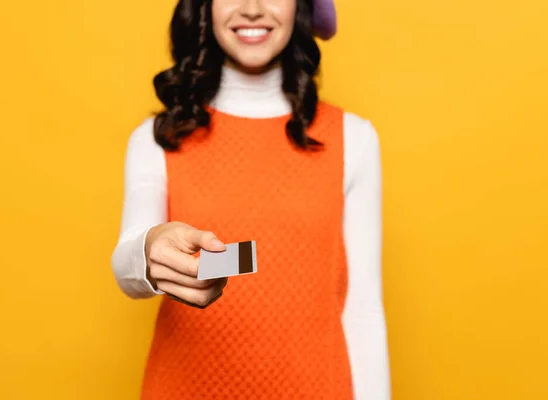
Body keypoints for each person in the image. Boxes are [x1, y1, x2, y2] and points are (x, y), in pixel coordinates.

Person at [111, 0, 391, 398]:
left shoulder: (355, 138)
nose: (253, 8)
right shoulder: (157, 136)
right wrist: (150, 252)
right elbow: (127, 263)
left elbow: (363, 310)